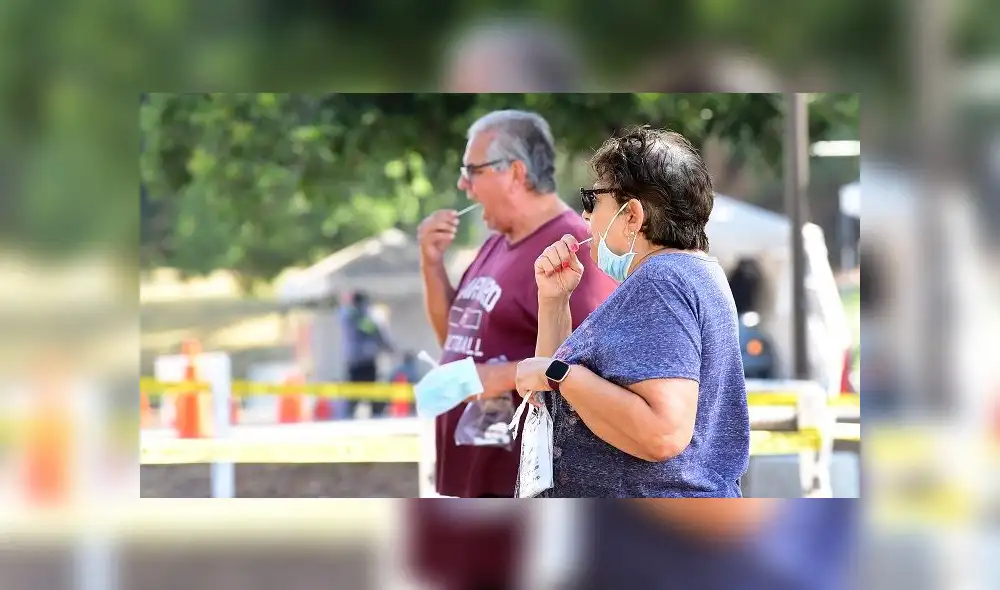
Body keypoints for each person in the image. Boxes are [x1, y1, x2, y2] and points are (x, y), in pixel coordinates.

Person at [514, 125, 750, 497]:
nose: (585, 214)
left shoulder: (662, 281)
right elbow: (559, 398)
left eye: (593, 198)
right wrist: (554, 301)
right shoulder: (694, 273)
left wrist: (558, 373)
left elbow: (663, 432)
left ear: (631, 216)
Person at [417, 109, 616, 498]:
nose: (463, 185)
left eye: (472, 170)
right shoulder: (496, 242)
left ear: (516, 173)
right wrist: (430, 262)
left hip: (522, 480)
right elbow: (455, 339)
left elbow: (594, 367)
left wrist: (499, 377)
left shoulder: (570, 247)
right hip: (473, 476)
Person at [339, 290, 394, 418]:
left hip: (354, 361)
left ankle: (350, 415)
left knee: (355, 395)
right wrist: (388, 347)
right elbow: (375, 332)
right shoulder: (362, 317)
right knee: (370, 393)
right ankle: (374, 415)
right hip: (366, 361)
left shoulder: (346, 315)